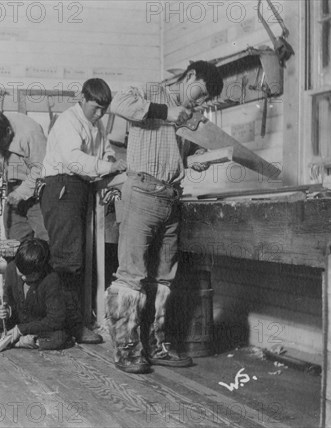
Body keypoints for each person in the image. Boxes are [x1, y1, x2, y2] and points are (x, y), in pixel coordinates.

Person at [105, 61, 223, 374]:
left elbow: (175, 153)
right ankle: (127, 351)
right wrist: (165, 112)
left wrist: (196, 158)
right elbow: (117, 102)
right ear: (191, 76)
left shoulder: (190, 115)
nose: (199, 101)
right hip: (142, 194)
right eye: (201, 92)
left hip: (171, 198)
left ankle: (154, 344)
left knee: (163, 279)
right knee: (131, 276)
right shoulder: (149, 89)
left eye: (205, 99)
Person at [40, 78, 127, 344]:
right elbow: (74, 159)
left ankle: (69, 323)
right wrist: (106, 167)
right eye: (96, 107)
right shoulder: (68, 121)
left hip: (78, 188)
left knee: (76, 260)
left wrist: (110, 160)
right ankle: (67, 326)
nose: (100, 113)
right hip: (62, 186)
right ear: (82, 98)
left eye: (104, 109)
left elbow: (106, 150)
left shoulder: (95, 123)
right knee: (68, 262)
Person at [0, 238, 73, 351]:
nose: (23, 278)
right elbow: (7, 298)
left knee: (59, 337)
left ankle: (15, 341)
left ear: (40, 270)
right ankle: (16, 339)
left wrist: (22, 330)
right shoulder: (12, 267)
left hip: (38, 325)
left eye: (28, 275)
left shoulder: (51, 280)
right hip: (15, 319)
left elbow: (55, 319)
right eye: (20, 272)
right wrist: (6, 309)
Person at [0, 110, 48, 243]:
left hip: (36, 190)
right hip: (12, 188)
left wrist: (21, 193)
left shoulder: (31, 133)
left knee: (44, 239)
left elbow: (41, 169)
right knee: (14, 241)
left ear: (9, 131)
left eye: (0, 145)